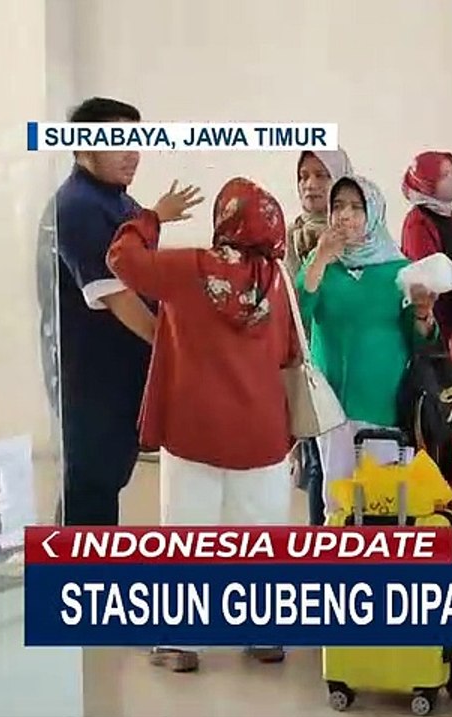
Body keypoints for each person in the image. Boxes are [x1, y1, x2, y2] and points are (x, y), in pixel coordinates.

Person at [108, 177, 296, 673]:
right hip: (261, 429)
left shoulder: (188, 268)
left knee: (188, 530)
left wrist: (153, 217)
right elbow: (287, 352)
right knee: (258, 533)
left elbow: (121, 259)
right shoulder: (278, 282)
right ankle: (263, 634)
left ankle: (180, 640)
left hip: (194, 426)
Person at [298, 174, 438, 520]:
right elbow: (297, 313)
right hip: (330, 404)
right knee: (337, 500)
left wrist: (423, 315)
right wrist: (319, 259)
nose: (345, 215)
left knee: (380, 501)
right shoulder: (321, 268)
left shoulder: (399, 270)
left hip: (382, 402)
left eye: (356, 208)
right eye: (338, 207)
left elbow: (420, 340)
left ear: (373, 214)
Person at [46, 97, 155, 526]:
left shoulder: (121, 204)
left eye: (136, 141)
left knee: (104, 482)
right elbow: (117, 296)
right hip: (90, 378)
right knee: (90, 489)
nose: (132, 154)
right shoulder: (78, 206)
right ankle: (80, 582)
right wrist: (170, 344)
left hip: (121, 373)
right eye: (117, 143)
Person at [400, 150, 452, 488]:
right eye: (445, 174)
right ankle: (435, 489)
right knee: (436, 412)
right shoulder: (419, 221)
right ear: (427, 181)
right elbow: (426, 271)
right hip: (436, 328)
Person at [285, 148, 353, 525]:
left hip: (354, 367)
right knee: (318, 466)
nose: (310, 184)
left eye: (321, 175)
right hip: (309, 364)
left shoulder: (361, 238)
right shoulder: (291, 234)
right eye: (304, 176)